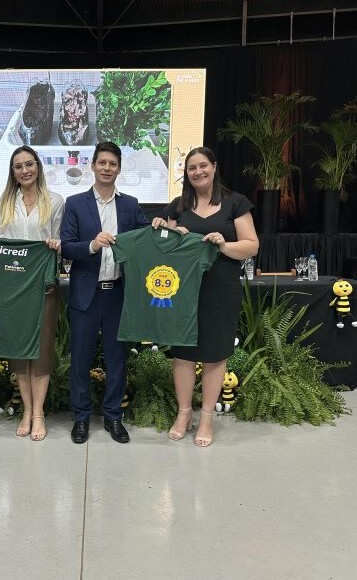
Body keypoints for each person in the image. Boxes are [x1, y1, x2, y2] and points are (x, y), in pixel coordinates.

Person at [152, 147, 259, 447]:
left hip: (220, 290)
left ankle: (207, 417)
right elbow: (164, 249)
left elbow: (251, 245)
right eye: (191, 168)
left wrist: (223, 245)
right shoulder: (178, 206)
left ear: (214, 167)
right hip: (183, 291)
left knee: (215, 354)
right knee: (182, 354)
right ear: (186, 174)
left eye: (202, 166)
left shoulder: (235, 202)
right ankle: (184, 413)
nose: (197, 172)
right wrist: (165, 230)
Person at [61, 142, 149, 444]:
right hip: (86, 294)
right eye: (102, 163)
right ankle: (81, 417)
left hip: (118, 295)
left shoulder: (130, 205)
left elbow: (146, 238)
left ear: (119, 169)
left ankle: (113, 416)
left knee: (117, 359)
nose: (107, 168)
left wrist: (161, 225)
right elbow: (66, 247)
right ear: (93, 166)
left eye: (112, 163)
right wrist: (91, 245)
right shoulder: (75, 203)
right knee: (80, 359)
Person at [0, 146, 64, 442]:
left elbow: (62, 240)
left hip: (44, 285)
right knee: (20, 354)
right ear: (13, 172)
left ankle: (39, 414)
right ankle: (26, 411)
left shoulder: (55, 201)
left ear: (38, 166)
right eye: (18, 166)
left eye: (29, 164)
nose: (24, 170)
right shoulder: (6, 203)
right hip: (15, 289)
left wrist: (56, 244)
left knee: (42, 353)